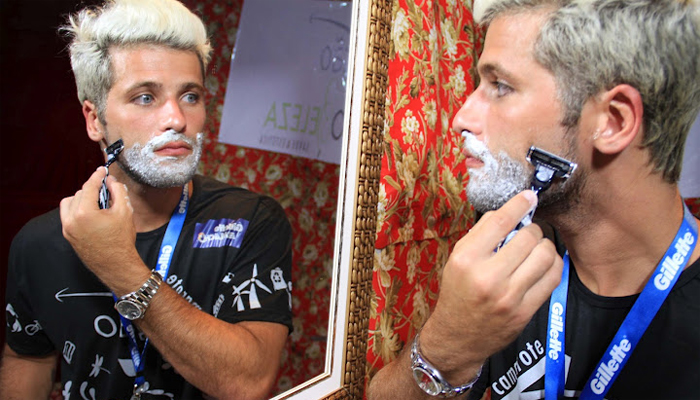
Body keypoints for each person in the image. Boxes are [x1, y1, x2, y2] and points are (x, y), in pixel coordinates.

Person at [367, 0, 700, 399]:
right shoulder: (510, 269)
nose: (461, 118)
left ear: (613, 122)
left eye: (501, 87)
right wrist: (447, 346)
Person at [0, 0, 293, 399]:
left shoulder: (249, 221)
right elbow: (28, 357)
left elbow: (249, 382)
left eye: (190, 96)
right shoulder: (39, 242)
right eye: (145, 97)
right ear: (94, 119)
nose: (176, 118)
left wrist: (120, 267)